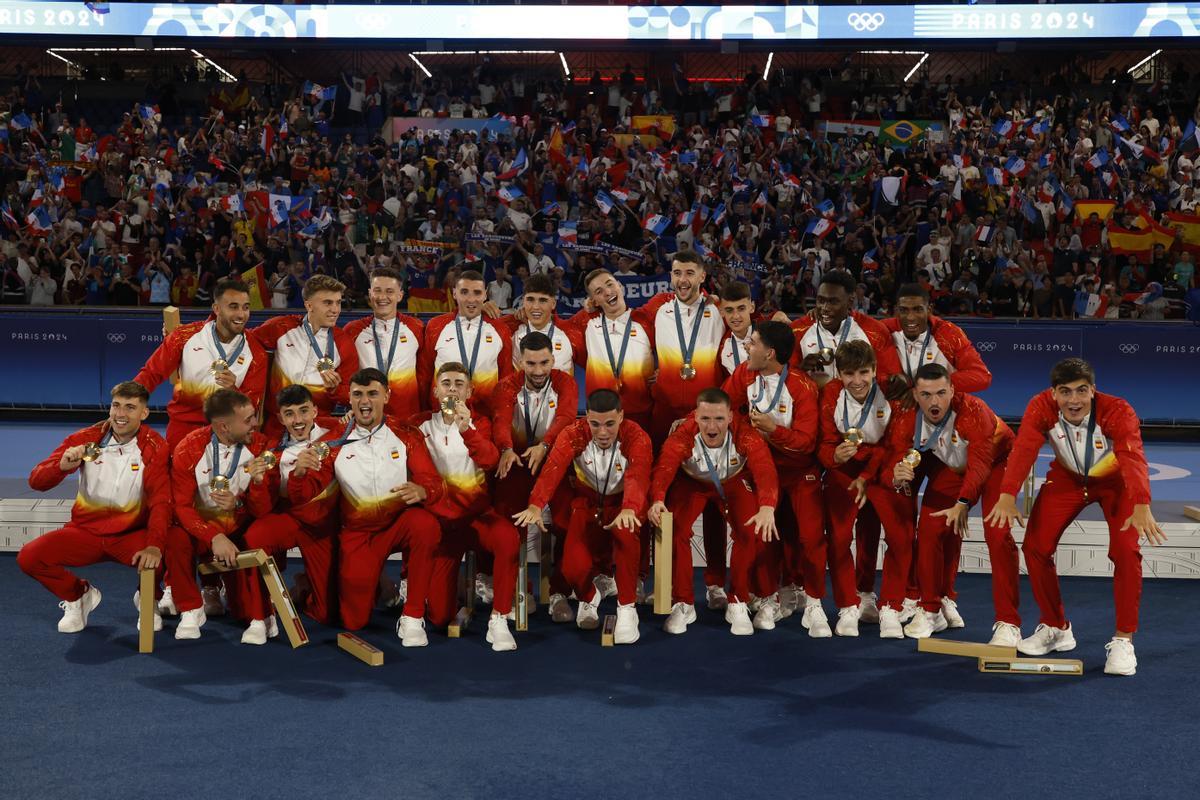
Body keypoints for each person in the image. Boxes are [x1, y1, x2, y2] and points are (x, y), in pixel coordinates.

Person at [984, 358, 1166, 676]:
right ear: (1053, 393)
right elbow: (1024, 449)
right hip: (1067, 479)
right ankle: (1056, 627)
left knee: (1125, 551)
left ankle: (1124, 640)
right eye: (1065, 392)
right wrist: (1007, 494)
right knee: (1036, 547)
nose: (1074, 400)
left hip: (1116, 484)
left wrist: (1141, 503)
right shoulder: (1040, 406)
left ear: (1093, 391)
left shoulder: (1117, 410)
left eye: (1082, 391)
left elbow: (1133, 455)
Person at [851, 282, 995, 613]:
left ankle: (944, 596)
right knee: (892, 522)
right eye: (904, 309)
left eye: (918, 309)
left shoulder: (949, 335)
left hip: (944, 441)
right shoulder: (884, 332)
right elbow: (848, 322)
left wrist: (928, 387)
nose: (911, 316)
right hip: (901, 435)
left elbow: (982, 376)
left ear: (929, 309)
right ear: (895, 310)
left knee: (943, 523)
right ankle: (890, 594)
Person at [19, 381, 203, 638]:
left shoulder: (155, 447)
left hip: (130, 535)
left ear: (144, 413)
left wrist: (153, 545)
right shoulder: (84, 439)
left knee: (171, 541)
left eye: (130, 407)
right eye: (116, 406)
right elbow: (36, 482)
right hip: (85, 533)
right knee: (30, 557)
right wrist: (60, 466)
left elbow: (161, 501)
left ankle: (149, 599)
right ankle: (79, 596)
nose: (120, 414)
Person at [883, 364, 1016, 641]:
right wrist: (896, 472)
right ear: (916, 395)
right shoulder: (906, 416)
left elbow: (980, 466)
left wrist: (963, 502)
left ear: (953, 390)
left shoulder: (973, 410)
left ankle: (1008, 623)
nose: (935, 402)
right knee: (930, 529)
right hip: (953, 467)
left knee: (998, 535)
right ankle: (931, 608)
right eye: (927, 394)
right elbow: (893, 458)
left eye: (942, 393)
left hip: (998, 463)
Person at [311, 368, 444, 644]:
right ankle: (372, 584)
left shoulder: (405, 433)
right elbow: (308, 492)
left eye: (372, 393)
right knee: (354, 622)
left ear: (387, 395)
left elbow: (433, 482)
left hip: (397, 524)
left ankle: (412, 616)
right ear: (348, 397)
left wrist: (423, 490)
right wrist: (301, 472)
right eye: (358, 394)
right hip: (358, 534)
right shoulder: (332, 442)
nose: (364, 401)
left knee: (426, 526)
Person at [513, 389, 651, 645]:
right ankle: (589, 597)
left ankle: (627, 610)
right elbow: (553, 469)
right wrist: (535, 504)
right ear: (586, 417)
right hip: (587, 503)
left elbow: (639, 474)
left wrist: (630, 507)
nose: (602, 433)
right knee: (572, 566)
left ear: (621, 417)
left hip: (622, 504)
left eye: (610, 424)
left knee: (627, 534)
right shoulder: (574, 434)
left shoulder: (636, 436)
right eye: (595, 424)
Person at [647, 388, 779, 636]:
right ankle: (683, 603)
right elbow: (664, 467)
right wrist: (657, 500)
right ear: (695, 416)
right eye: (705, 418)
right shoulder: (682, 435)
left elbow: (764, 468)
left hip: (733, 481)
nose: (712, 426)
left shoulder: (746, 434)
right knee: (674, 529)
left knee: (751, 528)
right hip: (692, 483)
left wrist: (767, 506)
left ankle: (738, 600)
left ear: (730, 417)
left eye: (719, 419)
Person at [722, 321, 823, 634]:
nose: (747, 347)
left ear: (770, 353)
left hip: (799, 471)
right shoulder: (744, 373)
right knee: (765, 535)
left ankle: (815, 602)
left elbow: (807, 441)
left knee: (808, 537)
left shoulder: (801, 386)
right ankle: (769, 597)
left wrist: (772, 430)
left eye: (753, 343)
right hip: (760, 469)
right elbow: (723, 406)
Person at [418, 362, 522, 651]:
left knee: (508, 538)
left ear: (470, 390)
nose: (453, 389)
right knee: (439, 617)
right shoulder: (421, 424)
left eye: (459, 384)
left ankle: (499, 618)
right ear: (436, 389)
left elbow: (490, 460)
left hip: (477, 518)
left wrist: (466, 429)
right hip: (443, 525)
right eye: (447, 383)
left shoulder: (482, 424)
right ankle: (455, 594)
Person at [816, 341, 912, 638]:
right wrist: (833, 456)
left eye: (863, 372)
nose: (857, 381)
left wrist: (869, 475)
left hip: (883, 470)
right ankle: (848, 605)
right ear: (838, 373)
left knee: (899, 537)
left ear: (874, 370)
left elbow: (896, 445)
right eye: (849, 374)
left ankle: (891, 608)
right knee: (840, 538)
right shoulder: (830, 393)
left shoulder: (892, 394)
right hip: (845, 472)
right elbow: (824, 442)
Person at [236, 386, 343, 639]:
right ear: (281, 418)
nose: (298, 421)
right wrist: (260, 482)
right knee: (254, 538)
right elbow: (262, 509)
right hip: (293, 520)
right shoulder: (273, 451)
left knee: (328, 614)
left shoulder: (335, 433)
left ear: (315, 411)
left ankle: (303, 590)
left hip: (326, 527)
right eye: (290, 414)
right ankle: (261, 616)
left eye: (304, 411)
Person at [168, 388, 275, 641]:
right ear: (224, 427)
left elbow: (263, 511)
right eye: (248, 420)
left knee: (242, 612)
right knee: (173, 537)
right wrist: (212, 536)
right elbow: (181, 507)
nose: (256, 423)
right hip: (203, 531)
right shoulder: (189, 449)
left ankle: (249, 603)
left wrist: (241, 501)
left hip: (240, 531)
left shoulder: (261, 445)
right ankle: (191, 608)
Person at [492, 331, 579, 622]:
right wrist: (505, 448)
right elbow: (501, 420)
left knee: (568, 522)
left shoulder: (565, 382)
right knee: (508, 526)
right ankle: (521, 590)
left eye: (544, 363)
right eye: (531, 364)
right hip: (517, 462)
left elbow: (567, 418)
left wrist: (545, 445)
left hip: (554, 459)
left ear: (553, 359)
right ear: (520, 362)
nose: (539, 371)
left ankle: (558, 593)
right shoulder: (506, 386)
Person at [134, 278, 268, 451]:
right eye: (233, 307)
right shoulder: (184, 336)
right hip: (184, 428)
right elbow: (150, 374)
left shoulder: (256, 352)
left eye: (246, 307)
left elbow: (253, 404)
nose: (241, 314)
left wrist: (233, 390)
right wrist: (127, 403)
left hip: (229, 432)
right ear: (217, 309)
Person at [251, 275, 359, 436]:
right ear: (309, 305)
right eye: (328, 303)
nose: (335, 310)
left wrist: (335, 389)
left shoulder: (344, 344)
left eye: (338, 303)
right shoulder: (281, 328)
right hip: (276, 425)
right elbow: (245, 343)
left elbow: (350, 396)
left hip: (317, 430)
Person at [566, 268, 656, 431]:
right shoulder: (586, 323)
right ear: (594, 301)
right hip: (600, 417)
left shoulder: (645, 320)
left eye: (610, 285)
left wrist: (664, 370)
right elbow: (556, 328)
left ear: (620, 286)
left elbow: (673, 345)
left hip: (642, 414)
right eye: (599, 292)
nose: (607, 292)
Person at [420, 269, 512, 416]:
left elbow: (506, 379)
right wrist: (427, 413)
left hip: (484, 416)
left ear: (485, 295)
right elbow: (424, 374)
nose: (470, 299)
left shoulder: (500, 329)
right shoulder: (436, 326)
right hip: (444, 414)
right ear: (454, 293)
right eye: (464, 292)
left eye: (477, 293)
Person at [791, 271, 900, 389]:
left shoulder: (874, 331)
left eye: (833, 302)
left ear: (850, 301)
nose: (825, 308)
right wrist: (800, 371)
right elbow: (782, 381)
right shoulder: (797, 330)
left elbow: (890, 377)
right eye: (821, 300)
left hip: (860, 404)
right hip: (813, 404)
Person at [342, 267, 425, 420]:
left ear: (400, 295)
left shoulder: (416, 327)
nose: (382, 297)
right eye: (377, 290)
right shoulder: (352, 330)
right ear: (369, 294)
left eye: (389, 291)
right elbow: (344, 374)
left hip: (407, 416)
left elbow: (424, 372)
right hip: (368, 415)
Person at [494, 273, 581, 372]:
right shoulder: (511, 329)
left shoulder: (569, 333)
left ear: (553, 304)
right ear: (523, 302)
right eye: (530, 300)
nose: (535, 306)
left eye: (542, 300)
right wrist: (482, 309)